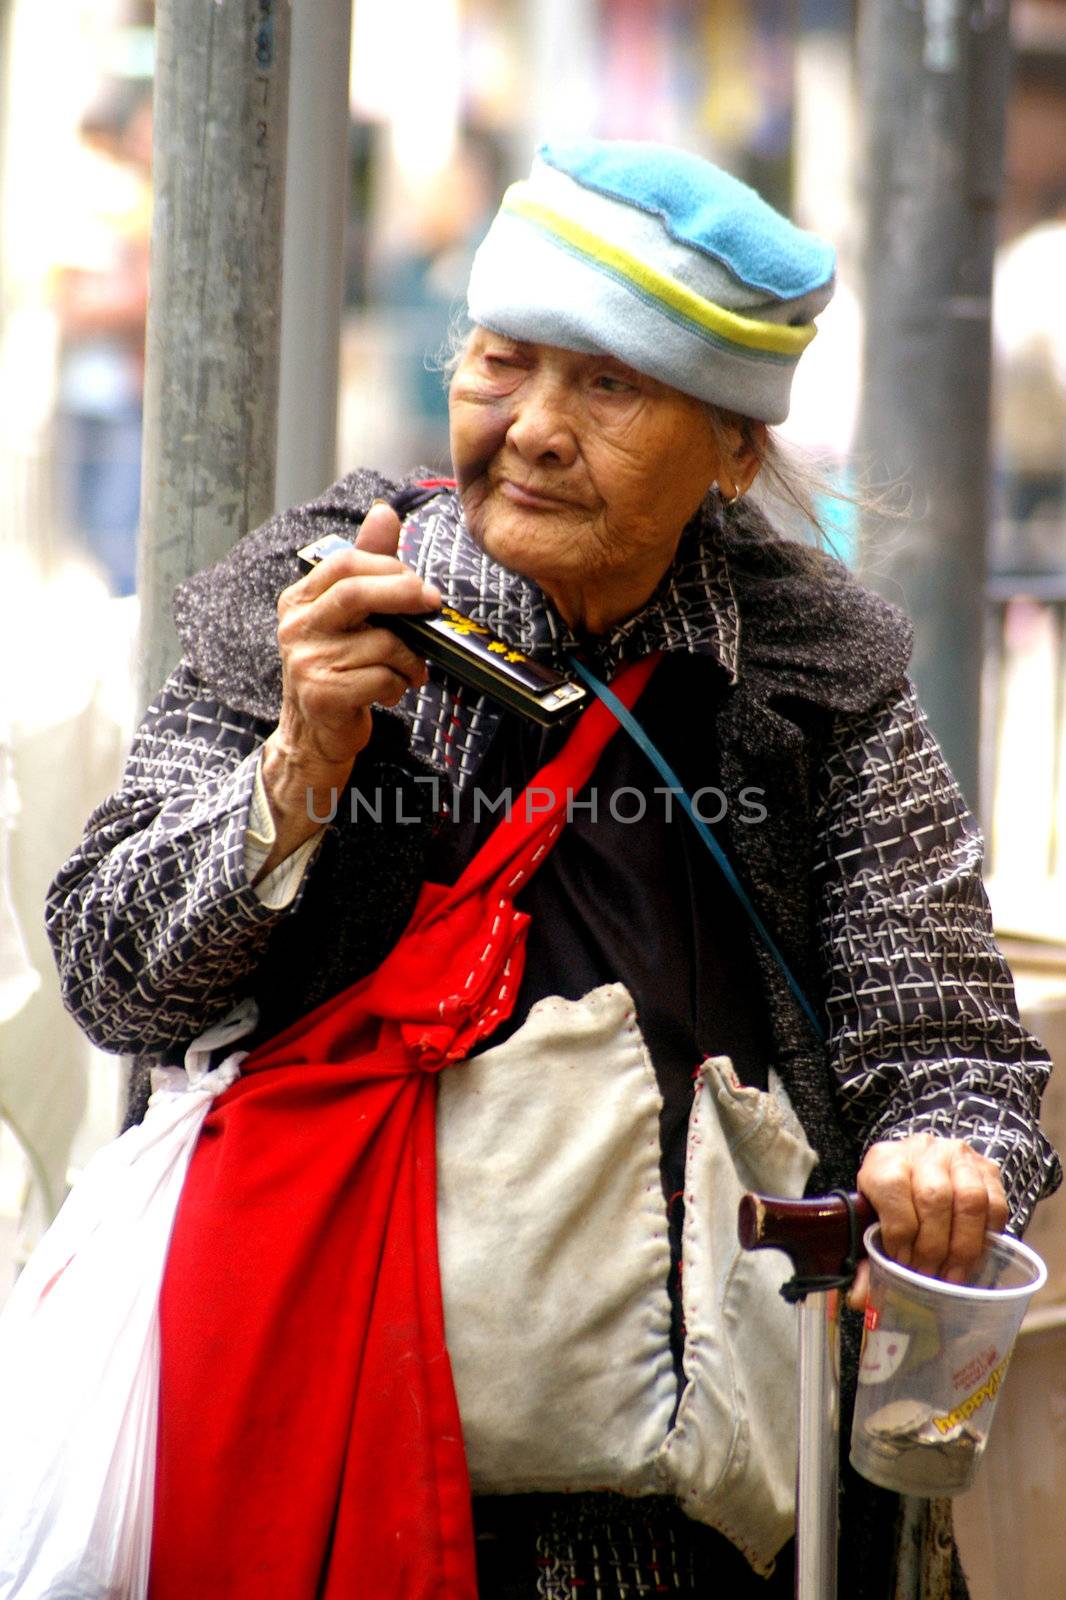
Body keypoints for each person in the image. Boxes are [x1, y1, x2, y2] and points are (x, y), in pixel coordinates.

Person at [47, 140, 1059, 1599]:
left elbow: (951, 1044)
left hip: (701, 1505)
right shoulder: (319, 602)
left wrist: (944, 1159)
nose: (529, 429)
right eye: (501, 363)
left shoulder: (810, 670)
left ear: (727, 447)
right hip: (313, 1447)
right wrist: (296, 767)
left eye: (609, 385)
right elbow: (110, 978)